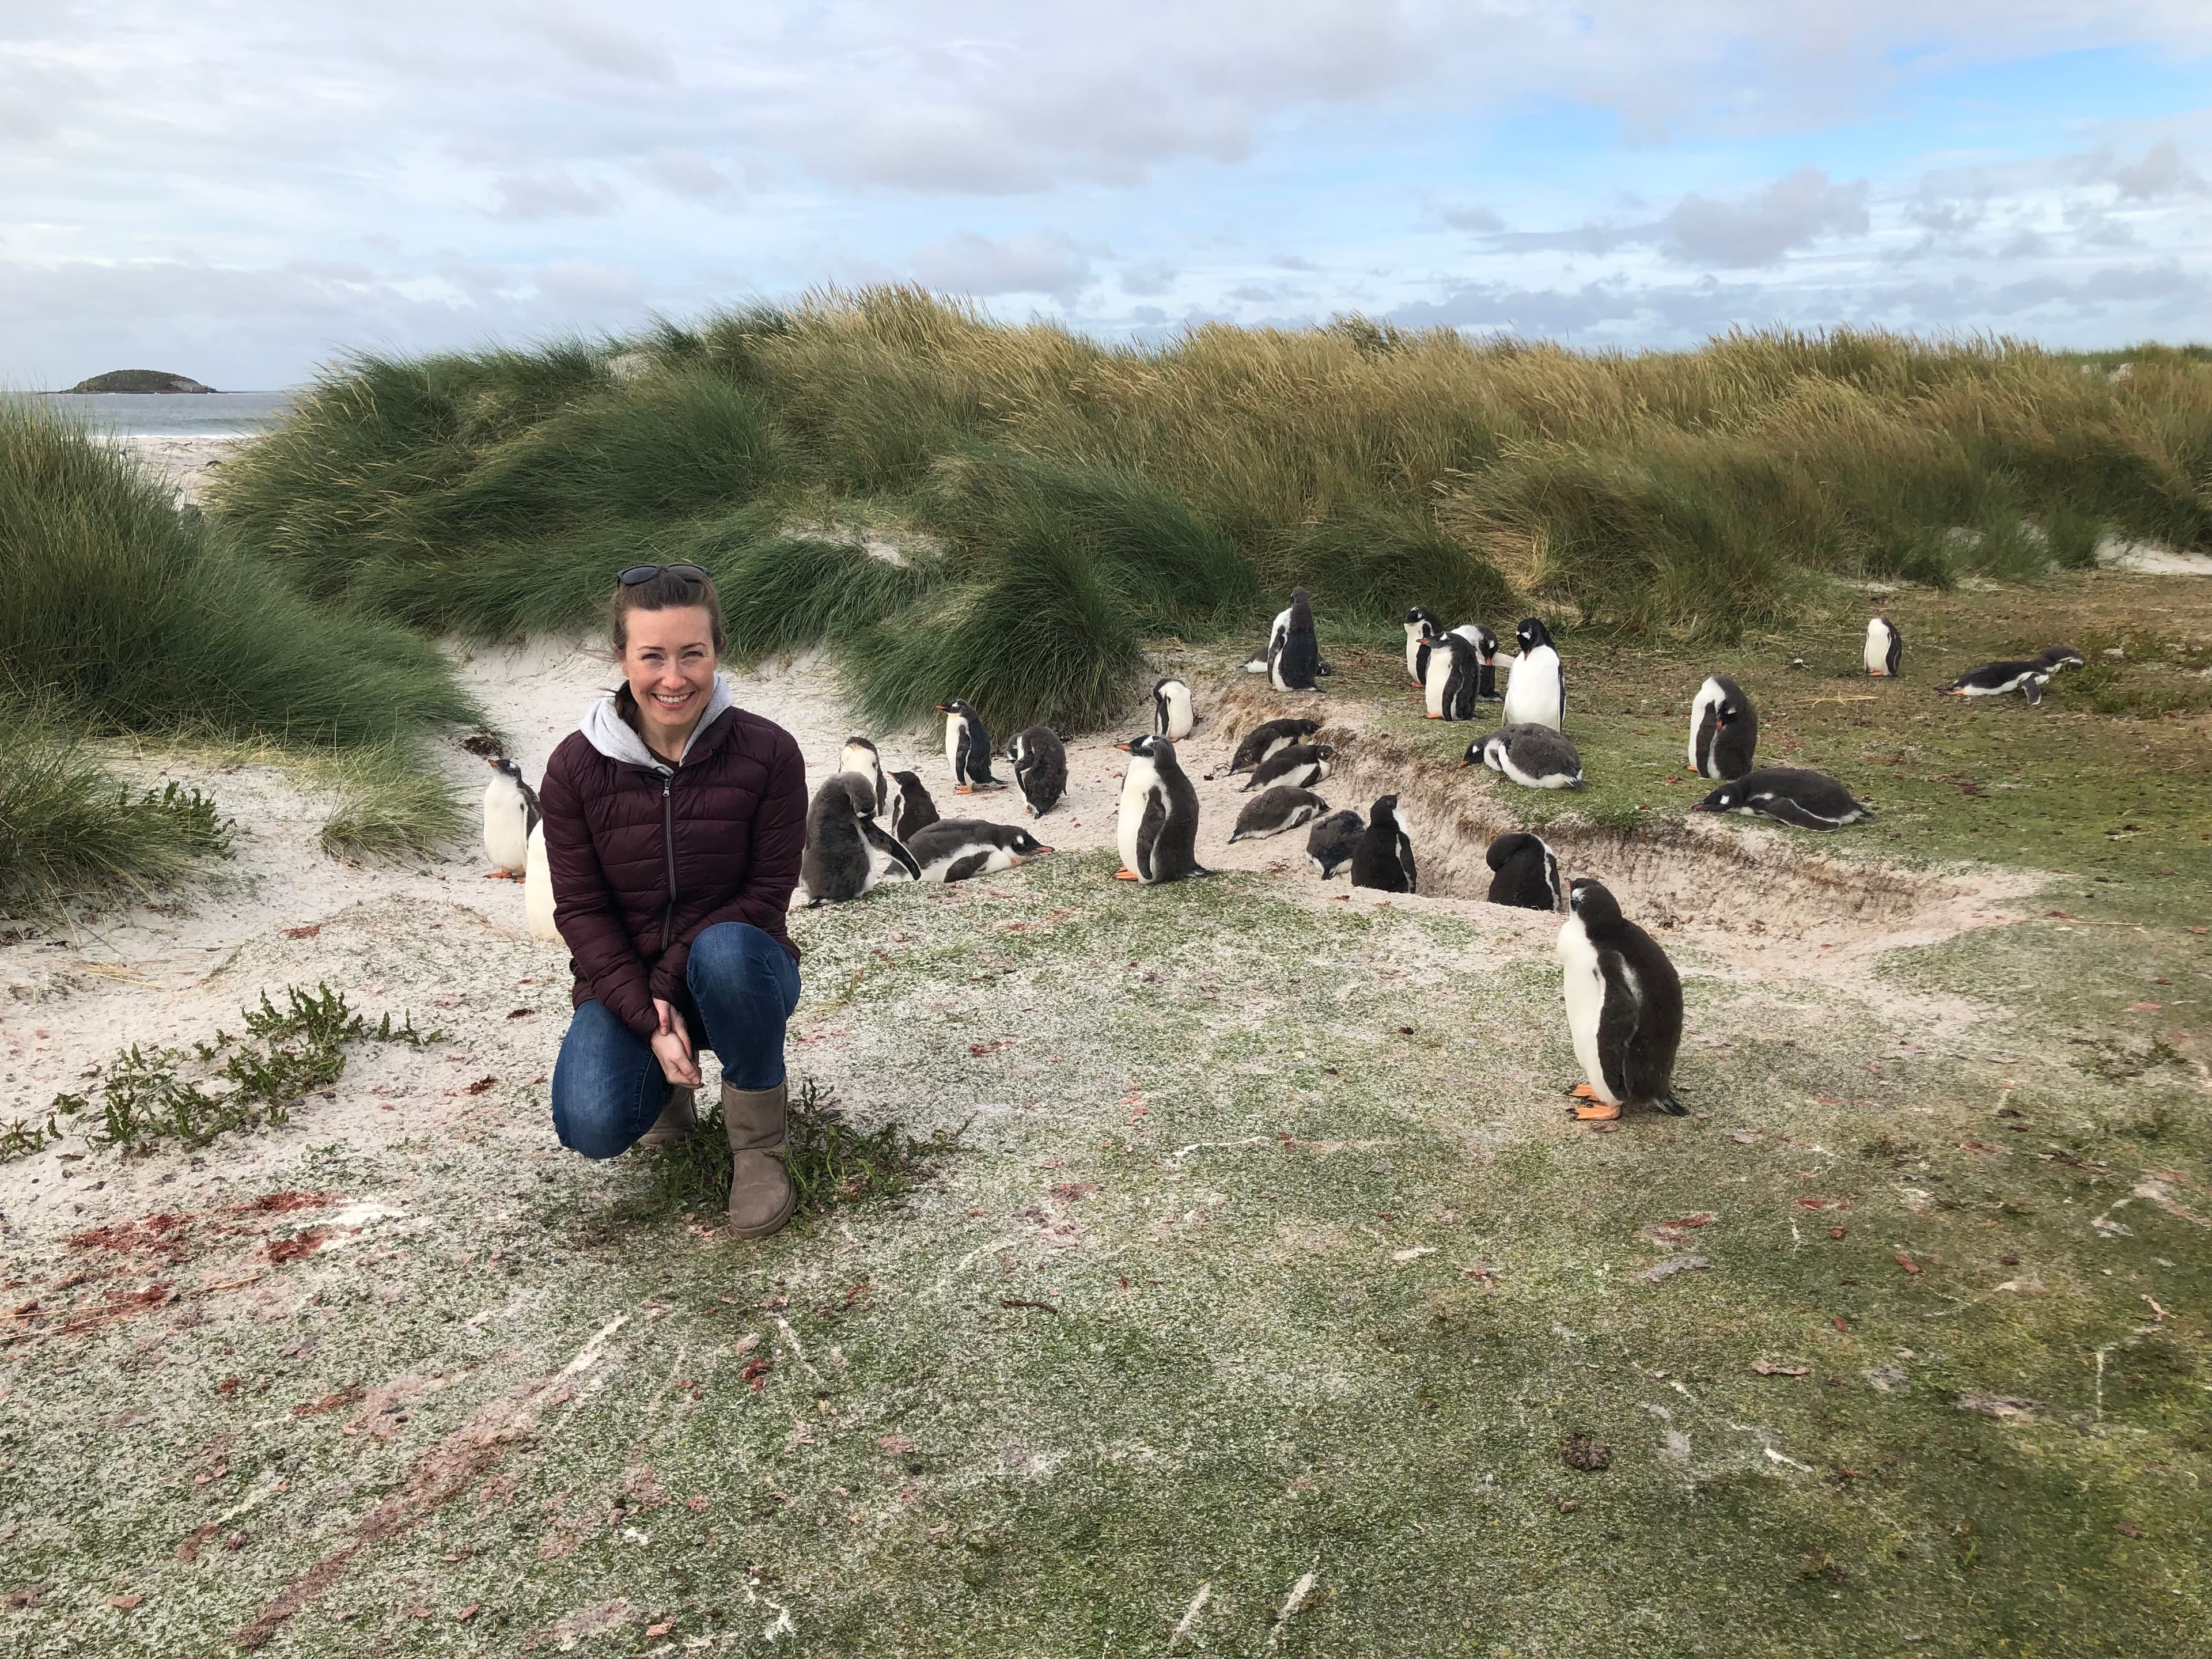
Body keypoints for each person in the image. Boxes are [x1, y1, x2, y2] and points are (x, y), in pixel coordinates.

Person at [539, 563, 808, 1236]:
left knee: (726, 950)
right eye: (652, 656)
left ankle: (760, 1147)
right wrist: (648, 1017)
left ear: (718, 651)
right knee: (591, 1122)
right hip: (626, 985)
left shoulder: (770, 753)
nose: (674, 677)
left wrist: (664, 983)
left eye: (693, 654)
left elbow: (766, 895)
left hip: (740, 973)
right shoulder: (574, 768)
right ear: (621, 657)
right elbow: (580, 911)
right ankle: (665, 1095)